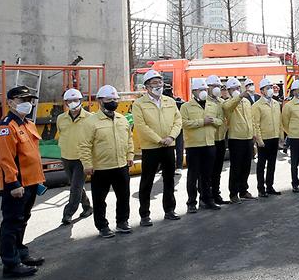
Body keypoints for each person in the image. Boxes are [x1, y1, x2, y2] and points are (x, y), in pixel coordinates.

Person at [0, 85, 47, 278]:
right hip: (17, 185)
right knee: (12, 222)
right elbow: (6, 159)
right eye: (22, 100)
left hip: (31, 182)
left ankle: (21, 253)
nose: (27, 104)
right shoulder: (6, 127)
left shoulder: (27, 124)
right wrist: (13, 184)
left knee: (22, 220)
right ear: (10, 102)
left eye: (29, 101)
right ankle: (11, 262)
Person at [80, 85, 135, 238]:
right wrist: (87, 164)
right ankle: (102, 226)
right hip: (101, 168)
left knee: (123, 196)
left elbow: (129, 139)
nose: (113, 102)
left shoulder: (122, 119)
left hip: (121, 165)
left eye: (115, 99)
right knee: (99, 200)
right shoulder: (91, 122)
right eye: (109, 99)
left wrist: (130, 156)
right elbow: (84, 145)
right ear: (100, 101)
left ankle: (122, 222)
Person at [132, 69, 184, 227]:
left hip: (169, 145)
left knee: (169, 180)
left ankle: (169, 210)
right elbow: (141, 126)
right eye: (154, 83)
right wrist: (158, 139)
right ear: (146, 86)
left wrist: (171, 137)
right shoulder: (139, 104)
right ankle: (145, 215)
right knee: (147, 182)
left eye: (160, 82)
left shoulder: (170, 101)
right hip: (151, 148)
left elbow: (178, 121)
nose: (158, 85)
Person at [180, 77, 221, 212]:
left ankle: (207, 200)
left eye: (204, 89)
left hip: (209, 144)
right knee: (193, 175)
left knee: (207, 175)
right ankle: (191, 202)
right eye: (200, 90)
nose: (203, 91)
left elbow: (220, 121)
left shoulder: (213, 105)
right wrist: (202, 122)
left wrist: (212, 121)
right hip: (194, 146)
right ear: (194, 91)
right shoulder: (186, 106)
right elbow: (184, 123)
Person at [56, 88, 94, 225]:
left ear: (81, 101)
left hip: (82, 158)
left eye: (75, 100)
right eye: (69, 101)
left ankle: (68, 213)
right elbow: (61, 133)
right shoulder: (61, 118)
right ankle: (88, 207)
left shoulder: (90, 118)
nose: (72, 103)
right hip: (66, 156)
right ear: (65, 102)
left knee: (75, 187)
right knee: (75, 185)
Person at [223, 77, 256, 202]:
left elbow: (250, 119)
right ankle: (233, 193)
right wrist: (239, 96)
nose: (236, 90)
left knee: (246, 166)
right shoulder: (227, 102)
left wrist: (253, 134)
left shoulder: (246, 102)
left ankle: (243, 190)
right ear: (229, 91)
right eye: (233, 89)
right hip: (236, 139)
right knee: (236, 167)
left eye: (238, 88)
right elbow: (228, 108)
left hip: (247, 138)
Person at [253, 77, 283, 196]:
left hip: (274, 137)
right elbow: (255, 124)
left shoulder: (276, 104)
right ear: (262, 91)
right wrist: (259, 140)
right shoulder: (257, 106)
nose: (270, 90)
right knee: (261, 164)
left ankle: (270, 186)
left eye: (271, 87)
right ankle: (261, 189)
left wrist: (281, 135)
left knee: (272, 164)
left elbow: (279, 121)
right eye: (268, 88)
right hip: (264, 140)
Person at [205, 75, 230, 205]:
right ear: (207, 88)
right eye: (213, 86)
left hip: (220, 139)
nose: (216, 89)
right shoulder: (204, 102)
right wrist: (217, 122)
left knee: (217, 171)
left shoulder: (222, 102)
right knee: (207, 171)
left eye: (218, 87)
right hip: (209, 140)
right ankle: (206, 197)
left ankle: (216, 194)